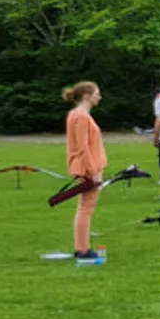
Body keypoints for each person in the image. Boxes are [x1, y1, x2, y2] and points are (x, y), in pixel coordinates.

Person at [63, 81, 106, 264]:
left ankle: (82, 247)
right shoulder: (81, 116)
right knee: (86, 209)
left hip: (87, 167)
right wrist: (93, 171)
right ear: (87, 96)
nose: (99, 97)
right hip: (87, 168)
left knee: (85, 208)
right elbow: (82, 147)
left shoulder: (78, 115)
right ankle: (82, 249)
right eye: (97, 93)